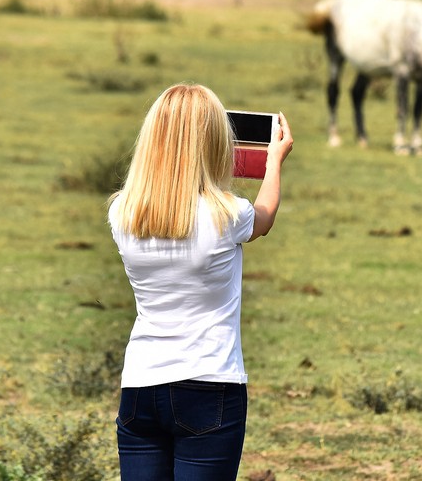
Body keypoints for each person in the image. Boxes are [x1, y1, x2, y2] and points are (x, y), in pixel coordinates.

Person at [107, 82, 293, 481]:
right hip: (210, 385)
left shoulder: (123, 212)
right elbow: (265, 216)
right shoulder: (228, 214)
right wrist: (274, 160)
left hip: (140, 385)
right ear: (212, 141)